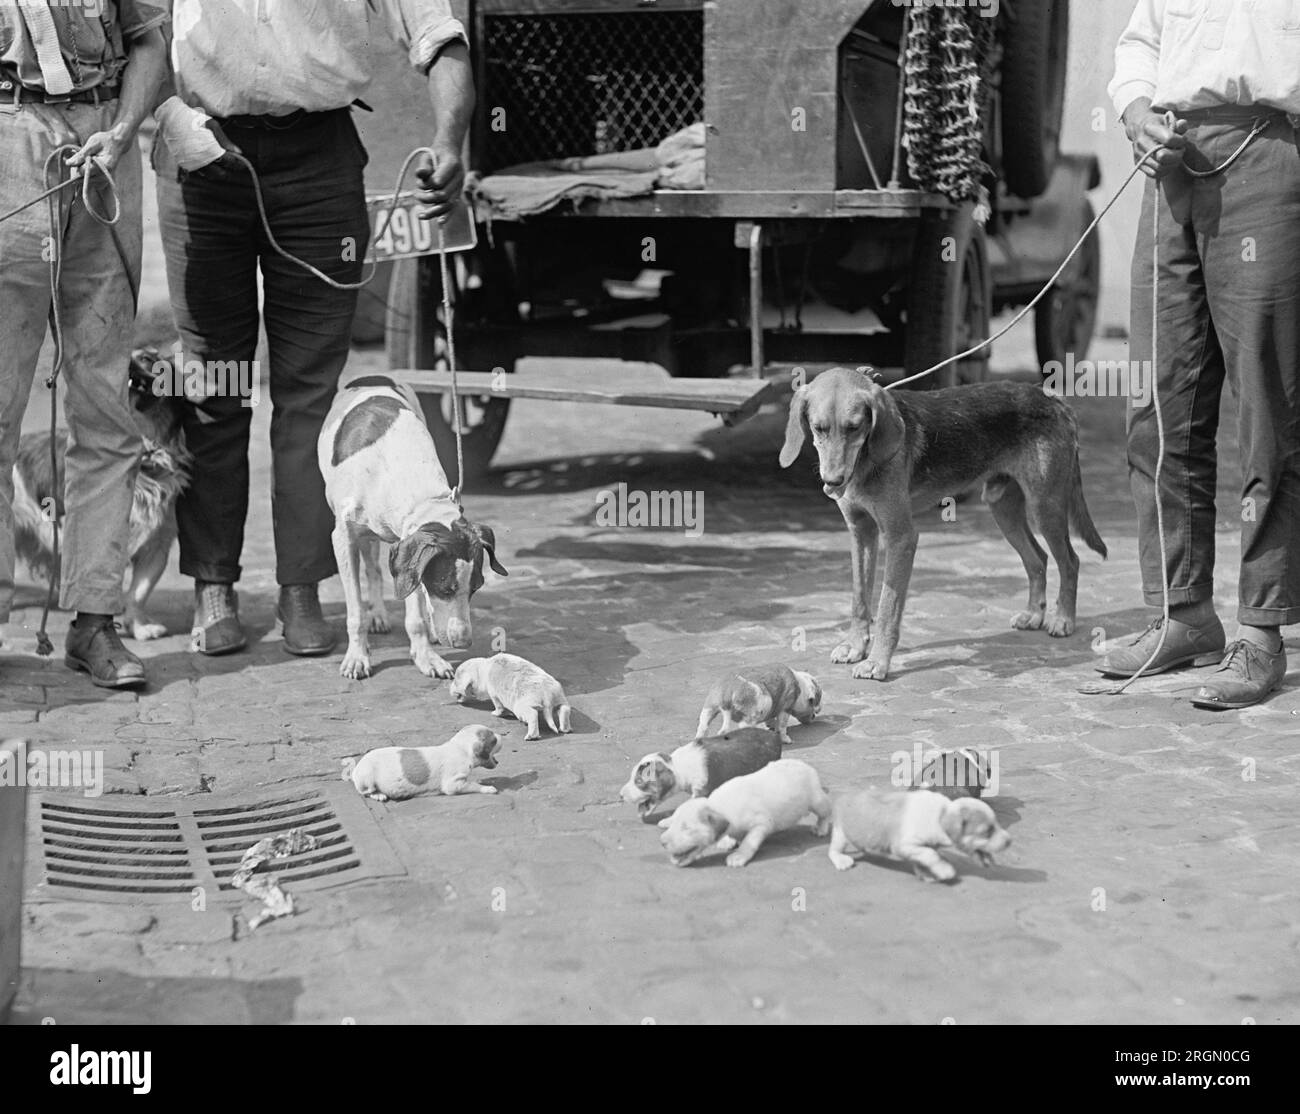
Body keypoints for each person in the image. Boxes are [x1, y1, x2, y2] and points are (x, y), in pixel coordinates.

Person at [152, 0, 473, 657]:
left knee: (307, 396)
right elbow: (136, 33)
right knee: (215, 384)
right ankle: (213, 583)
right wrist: (165, 113)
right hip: (200, 153)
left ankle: (303, 585)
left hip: (320, 163)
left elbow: (439, 36)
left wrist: (449, 140)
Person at [1101, 0, 1298, 708]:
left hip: (1271, 158)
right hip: (1172, 165)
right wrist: (1134, 113)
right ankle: (1182, 614)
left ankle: (1261, 629)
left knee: (1266, 405)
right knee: (1158, 401)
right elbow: (1139, 45)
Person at [0, 0, 167, 688]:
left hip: (104, 147)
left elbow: (149, 41)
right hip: (9, 136)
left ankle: (96, 622)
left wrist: (124, 129)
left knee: (106, 408)